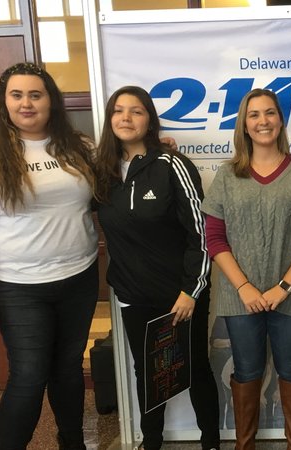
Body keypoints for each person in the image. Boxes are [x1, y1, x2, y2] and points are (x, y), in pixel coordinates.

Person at [0, 62, 99, 450]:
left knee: (68, 369)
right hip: (18, 286)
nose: (26, 103)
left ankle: (72, 442)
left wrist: (159, 148)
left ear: (51, 101)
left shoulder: (79, 147)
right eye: (16, 95)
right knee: (30, 374)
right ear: (4, 102)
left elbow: (118, 177)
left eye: (35, 94)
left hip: (79, 277)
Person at [201, 88, 291, 450]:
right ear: (244, 124)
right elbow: (215, 238)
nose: (263, 121)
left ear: (281, 120)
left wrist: (283, 287)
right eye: (254, 114)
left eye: (270, 113)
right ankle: (245, 446)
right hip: (240, 298)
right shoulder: (227, 176)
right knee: (247, 372)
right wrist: (244, 287)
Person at [93, 86, 220, 450]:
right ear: (110, 119)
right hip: (134, 296)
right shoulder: (101, 172)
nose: (126, 118)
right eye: (119, 111)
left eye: (136, 111)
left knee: (194, 367)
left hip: (180, 295)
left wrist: (191, 291)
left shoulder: (172, 164)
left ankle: (211, 442)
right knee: (147, 371)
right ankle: (151, 442)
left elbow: (201, 232)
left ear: (149, 120)